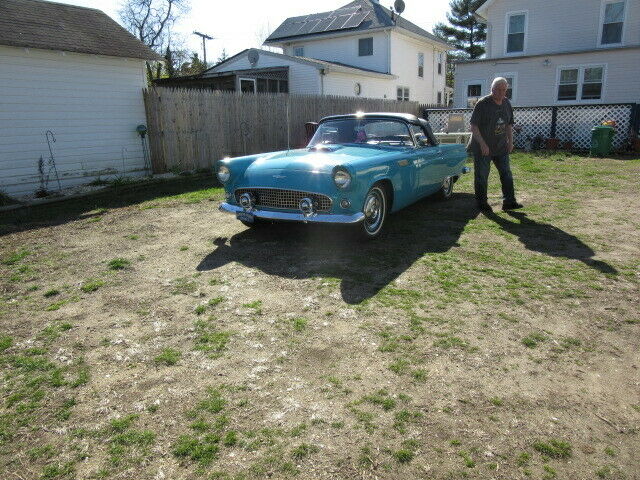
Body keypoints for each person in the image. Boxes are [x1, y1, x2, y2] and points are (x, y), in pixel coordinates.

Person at [469, 77, 523, 213]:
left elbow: (509, 125)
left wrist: (510, 142)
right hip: (483, 147)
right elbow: (473, 127)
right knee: (482, 176)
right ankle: (482, 203)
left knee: (506, 174)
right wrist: (482, 144)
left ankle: (509, 202)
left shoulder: (506, 103)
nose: (501, 92)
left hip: (501, 147)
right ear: (492, 89)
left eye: (504, 90)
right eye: (498, 89)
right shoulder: (482, 104)